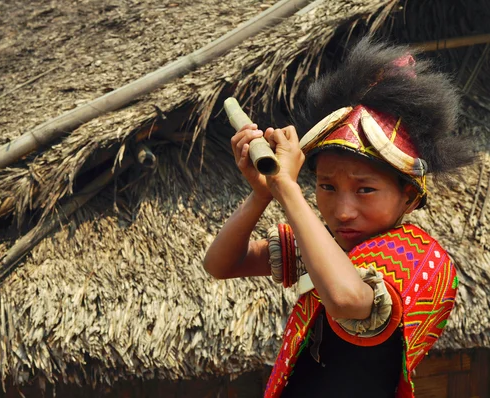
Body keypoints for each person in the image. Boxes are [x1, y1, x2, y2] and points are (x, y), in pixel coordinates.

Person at [203, 37, 475, 398]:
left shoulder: (421, 258)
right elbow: (222, 263)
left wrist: (287, 188)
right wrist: (261, 194)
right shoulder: (324, 244)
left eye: (365, 190)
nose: (343, 211)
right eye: (327, 187)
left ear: (408, 196)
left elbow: (347, 298)